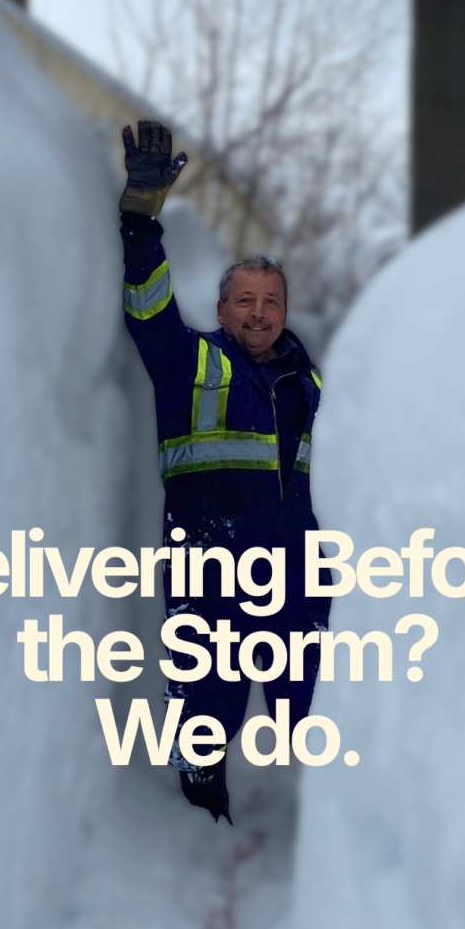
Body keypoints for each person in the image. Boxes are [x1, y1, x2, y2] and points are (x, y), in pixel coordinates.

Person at [119, 120, 330, 824]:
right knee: (205, 698)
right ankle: (197, 811)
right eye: (246, 300)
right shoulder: (191, 362)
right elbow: (147, 311)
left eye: (271, 302)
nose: (260, 313)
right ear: (221, 309)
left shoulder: (313, 385)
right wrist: (140, 216)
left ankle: (332, 826)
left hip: (295, 564)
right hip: (210, 556)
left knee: (317, 697)